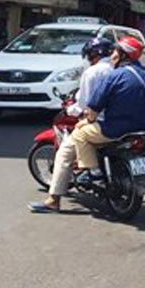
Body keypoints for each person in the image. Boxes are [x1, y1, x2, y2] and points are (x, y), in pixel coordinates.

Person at [28, 38, 115, 213]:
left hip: (100, 122)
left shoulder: (93, 72)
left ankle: (53, 200)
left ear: (93, 54)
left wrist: (69, 111)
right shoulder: (120, 70)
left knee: (65, 153)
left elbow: (84, 105)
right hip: (125, 123)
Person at [70, 36, 145, 186]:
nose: (112, 55)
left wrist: (87, 121)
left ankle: (94, 173)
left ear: (123, 54)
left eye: (114, 52)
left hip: (118, 130)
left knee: (80, 133)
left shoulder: (115, 76)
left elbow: (94, 107)